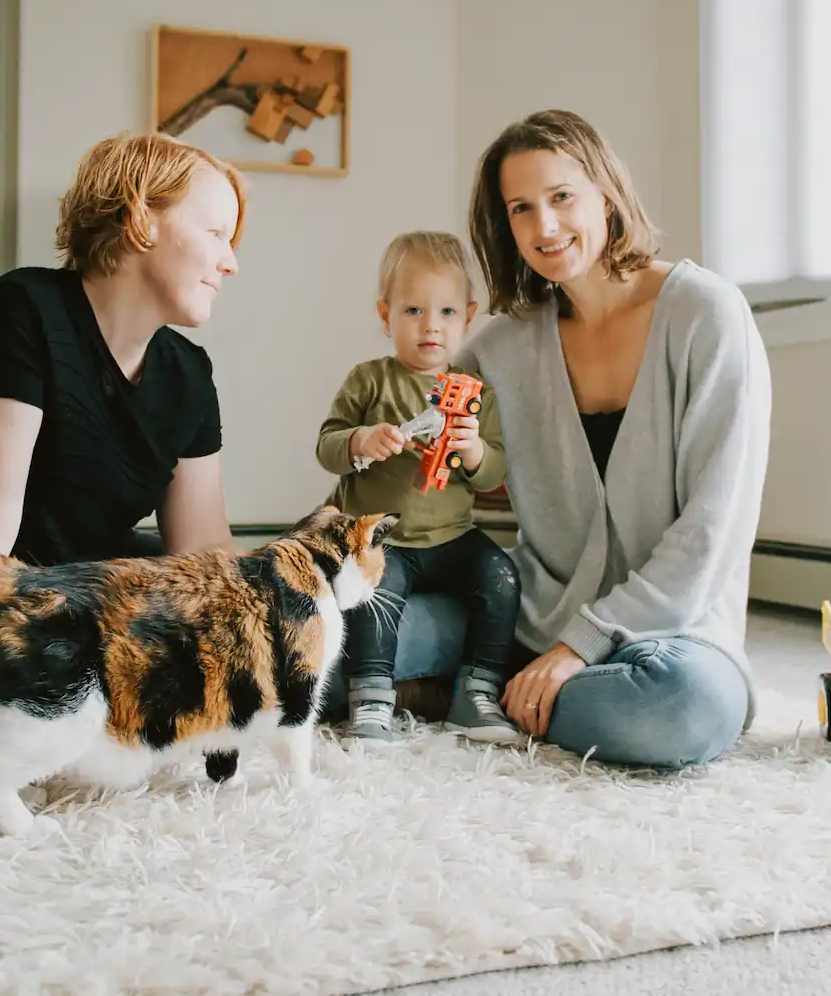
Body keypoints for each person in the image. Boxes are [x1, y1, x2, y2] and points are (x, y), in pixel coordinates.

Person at [0, 131, 247, 779]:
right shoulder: (17, 313)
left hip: (100, 590)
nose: (229, 261)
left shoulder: (189, 373)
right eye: (215, 233)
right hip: (3, 616)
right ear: (141, 216)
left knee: (302, 645)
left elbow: (204, 551)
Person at [430, 108, 773, 768]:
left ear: (606, 194)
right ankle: (499, 684)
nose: (545, 226)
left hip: (677, 636)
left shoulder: (708, 313)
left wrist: (578, 648)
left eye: (562, 197)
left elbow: (714, 529)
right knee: (359, 632)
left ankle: (484, 694)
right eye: (521, 208)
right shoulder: (499, 347)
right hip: (528, 620)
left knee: (681, 711)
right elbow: (429, 461)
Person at [314, 231, 522, 744]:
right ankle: (371, 698)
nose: (432, 325)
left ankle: (476, 691)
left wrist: (473, 448)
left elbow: (494, 474)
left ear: (467, 319)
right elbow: (326, 444)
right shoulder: (369, 380)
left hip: (451, 534)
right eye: (413, 311)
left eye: (447, 313)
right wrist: (361, 440)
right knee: (374, 595)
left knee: (502, 577)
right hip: (383, 539)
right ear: (385, 316)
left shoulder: (476, 396)